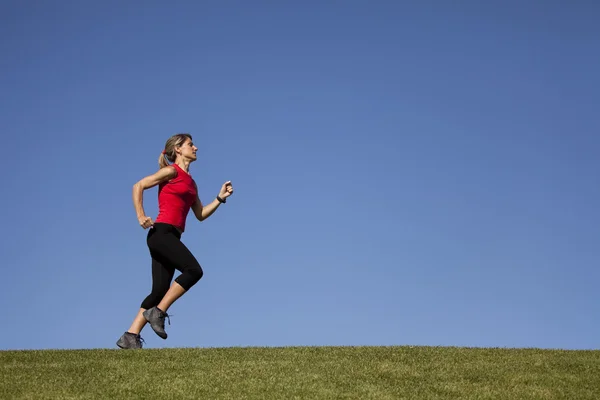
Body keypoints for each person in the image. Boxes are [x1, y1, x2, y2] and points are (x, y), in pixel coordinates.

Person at [116, 133, 234, 349]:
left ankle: (130, 336)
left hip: (171, 236)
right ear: (178, 149)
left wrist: (219, 199)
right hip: (161, 234)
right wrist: (141, 215)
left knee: (159, 291)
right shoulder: (171, 172)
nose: (196, 147)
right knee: (193, 270)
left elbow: (199, 214)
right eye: (191, 144)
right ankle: (159, 312)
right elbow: (138, 186)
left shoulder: (192, 183)